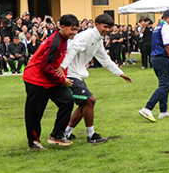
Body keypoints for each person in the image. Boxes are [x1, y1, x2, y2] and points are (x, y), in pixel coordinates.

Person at [59, 13, 133, 144]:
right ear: (96, 24)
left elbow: (105, 59)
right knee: (90, 100)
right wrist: (62, 68)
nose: (107, 30)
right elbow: (72, 50)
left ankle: (66, 133)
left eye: (110, 27)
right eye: (105, 27)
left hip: (78, 74)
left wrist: (120, 73)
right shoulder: (86, 36)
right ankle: (91, 135)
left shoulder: (98, 39)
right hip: (70, 74)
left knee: (84, 105)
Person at [22, 15, 79, 150]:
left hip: (49, 79)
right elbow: (45, 66)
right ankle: (34, 142)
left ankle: (57, 135)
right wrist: (62, 80)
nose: (74, 33)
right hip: (36, 79)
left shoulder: (63, 39)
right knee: (35, 112)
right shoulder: (55, 41)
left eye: (76, 30)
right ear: (62, 27)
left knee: (67, 101)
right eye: (72, 29)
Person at [139, 10, 169, 123]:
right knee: (166, 85)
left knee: (163, 84)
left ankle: (163, 110)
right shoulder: (166, 28)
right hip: (162, 58)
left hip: (155, 57)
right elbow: (168, 45)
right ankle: (147, 108)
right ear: (166, 18)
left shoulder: (157, 27)